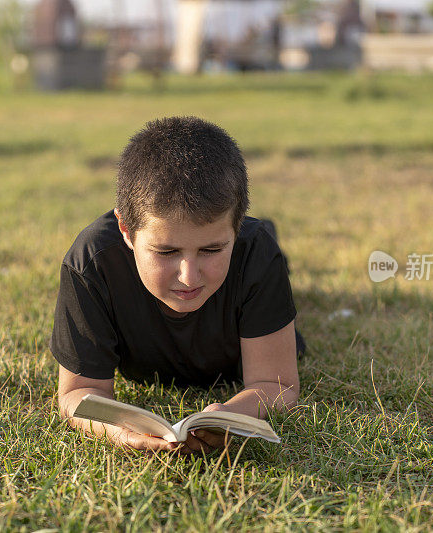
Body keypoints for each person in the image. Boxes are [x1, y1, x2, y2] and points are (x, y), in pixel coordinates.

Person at [51, 116, 305, 455]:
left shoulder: (254, 251)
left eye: (211, 249)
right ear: (126, 231)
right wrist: (117, 432)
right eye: (166, 251)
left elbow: (278, 384)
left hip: (253, 261)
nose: (189, 276)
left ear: (236, 227)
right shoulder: (92, 262)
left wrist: (228, 415)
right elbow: (77, 392)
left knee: (267, 250)